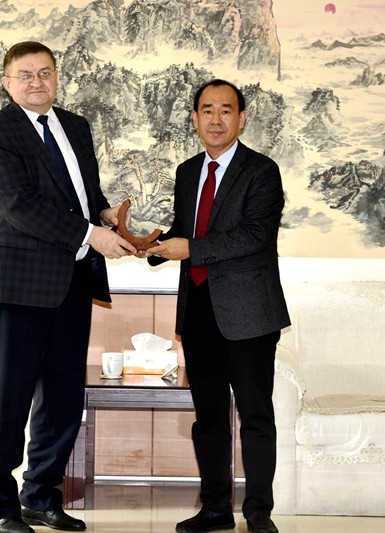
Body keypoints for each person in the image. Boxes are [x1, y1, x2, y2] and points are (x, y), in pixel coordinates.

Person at [0, 41, 136, 533]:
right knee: (9, 401)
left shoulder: (76, 126)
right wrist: (91, 234)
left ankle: (40, 497)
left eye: (45, 72)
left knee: (63, 400)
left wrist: (103, 213)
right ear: (7, 83)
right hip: (18, 285)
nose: (36, 82)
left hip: (72, 282)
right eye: (25, 75)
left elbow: (81, 193)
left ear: (57, 77)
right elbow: (20, 205)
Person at [145, 80, 290, 533]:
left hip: (249, 312)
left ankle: (259, 511)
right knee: (208, 418)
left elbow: (254, 236)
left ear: (241, 119)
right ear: (194, 119)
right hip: (198, 310)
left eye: (226, 110)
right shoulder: (188, 171)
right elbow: (186, 228)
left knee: (255, 415)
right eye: (207, 110)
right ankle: (214, 509)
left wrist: (189, 248)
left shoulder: (262, 171)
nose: (215, 119)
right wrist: (152, 245)